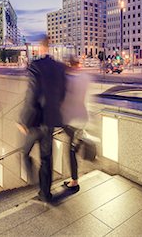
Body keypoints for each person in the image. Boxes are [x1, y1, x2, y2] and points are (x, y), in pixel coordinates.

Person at [18, 35, 66, 202]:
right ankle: (45, 193)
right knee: (47, 158)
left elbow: (31, 95)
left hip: (35, 121)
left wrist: (24, 120)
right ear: (50, 46)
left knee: (24, 152)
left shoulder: (35, 66)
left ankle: (31, 179)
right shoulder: (59, 67)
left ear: (40, 47)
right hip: (50, 120)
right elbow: (62, 94)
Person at [61, 57, 90, 193]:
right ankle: (81, 140)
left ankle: (74, 181)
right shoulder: (84, 78)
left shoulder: (68, 81)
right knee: (74, 148)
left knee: (71, 152)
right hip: (83, 118)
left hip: (72, 121)